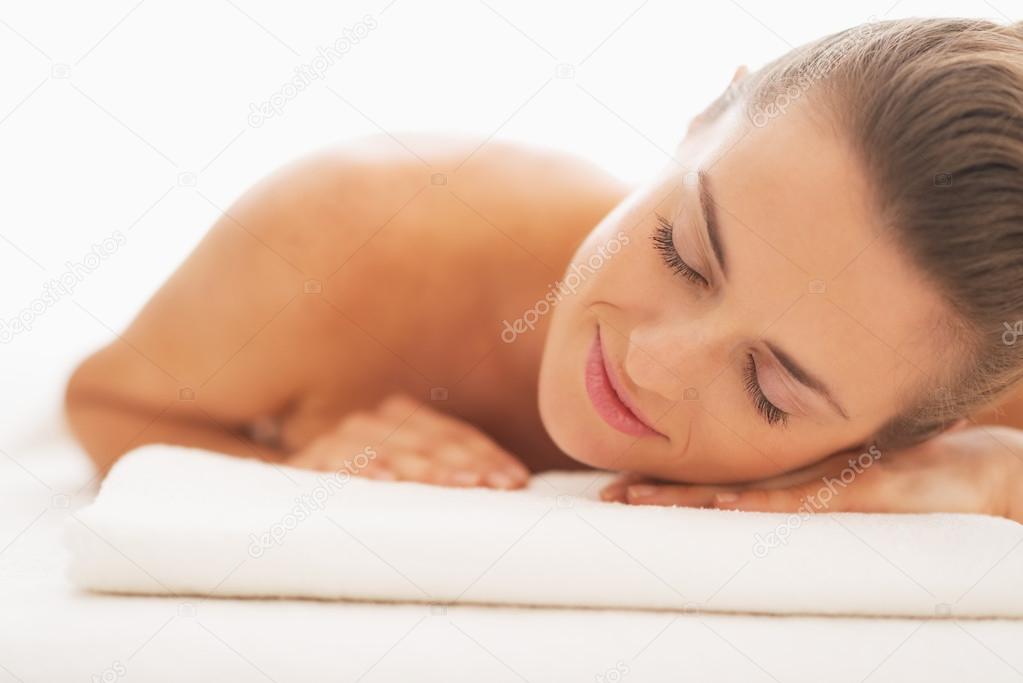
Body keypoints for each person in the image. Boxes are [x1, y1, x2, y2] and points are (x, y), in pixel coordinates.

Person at [66, 17, 1023, 522]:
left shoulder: (950, 348)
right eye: (681, 252)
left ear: (920, 425)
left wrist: (985, 480)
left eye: (771, 387)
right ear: (702, 116)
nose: (650, 362)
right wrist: (282, 470)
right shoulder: (348, 235)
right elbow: (109, 402)